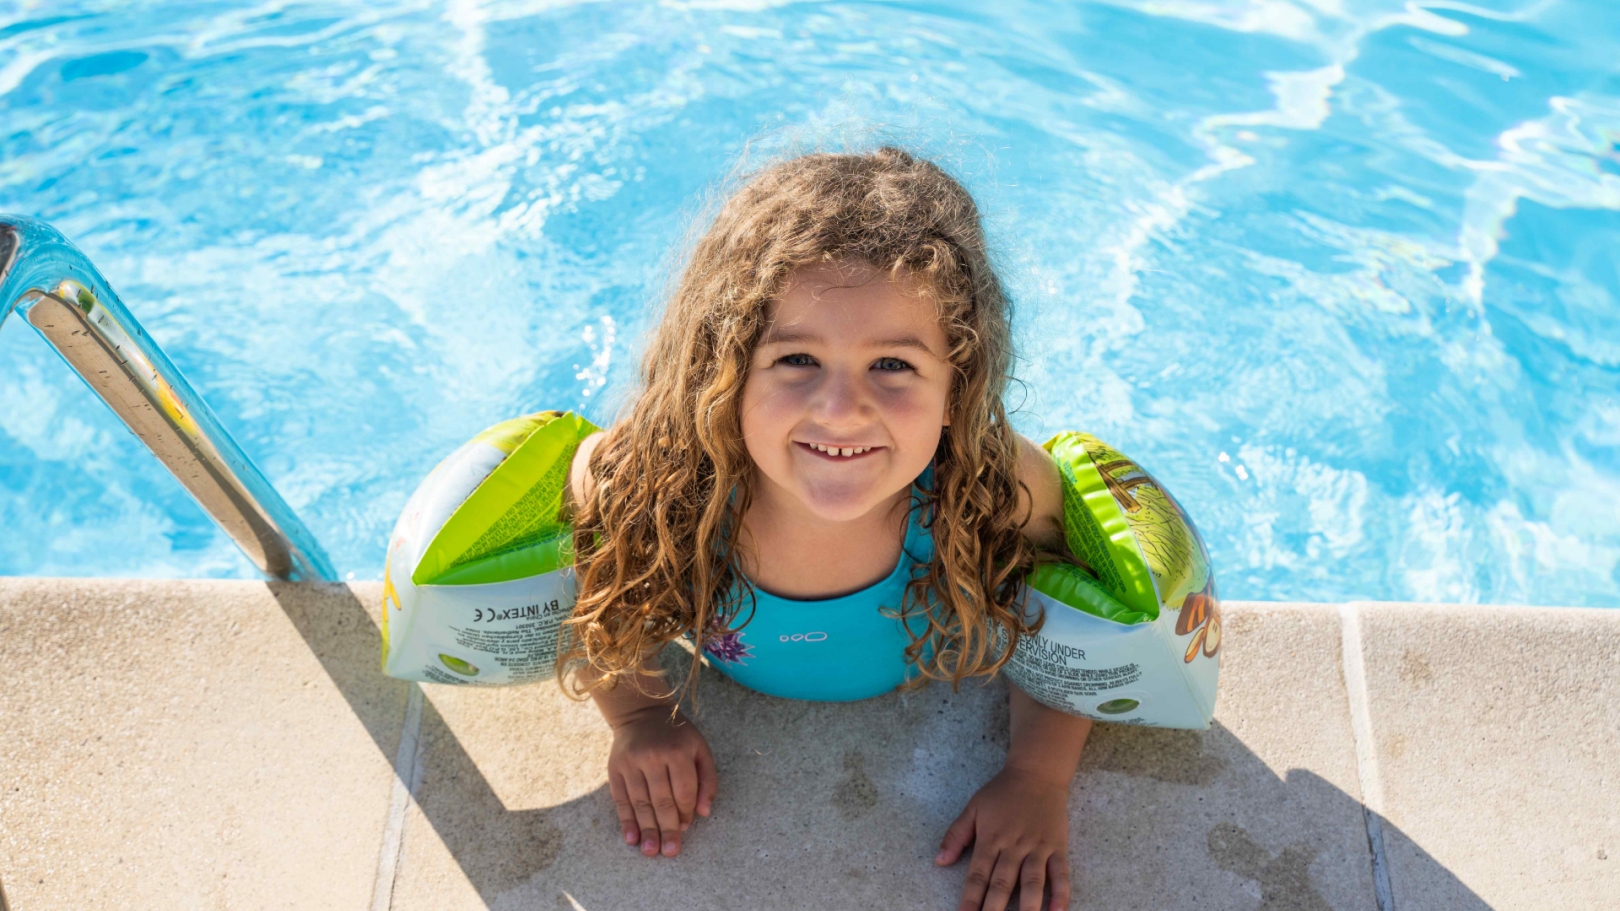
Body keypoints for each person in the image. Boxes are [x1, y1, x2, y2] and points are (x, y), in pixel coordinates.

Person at [562, 146, 1092, 911]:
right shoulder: (651, 484)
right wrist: (640, 713)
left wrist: (1038, 775)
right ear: (726, 367)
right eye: (798, 357)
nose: (841, 410)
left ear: (959, 384)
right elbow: (594, 573)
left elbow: (1070, 620)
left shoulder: (994, 490)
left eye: (894, 366)